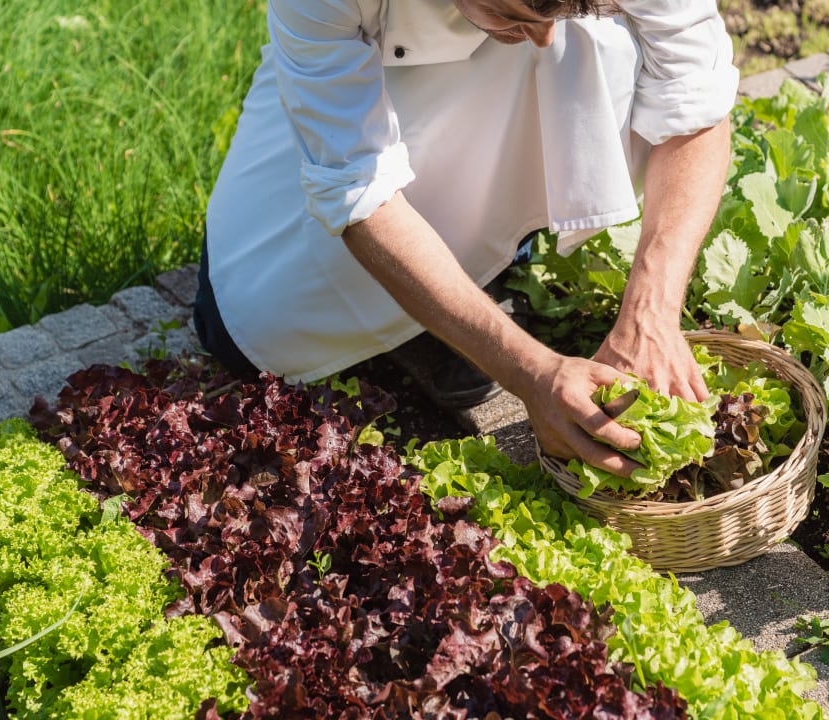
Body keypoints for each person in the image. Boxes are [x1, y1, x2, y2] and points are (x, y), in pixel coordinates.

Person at [194, 0, 739, 478]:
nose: (547, 37)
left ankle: (490, 263)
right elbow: (359, 188)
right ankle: (450, 300)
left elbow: (697, 91)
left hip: (481, 100)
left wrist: (651, 313)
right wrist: (533, 373)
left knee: (590, 45)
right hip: (364, 86)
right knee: (252, 322)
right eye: (514, 12)